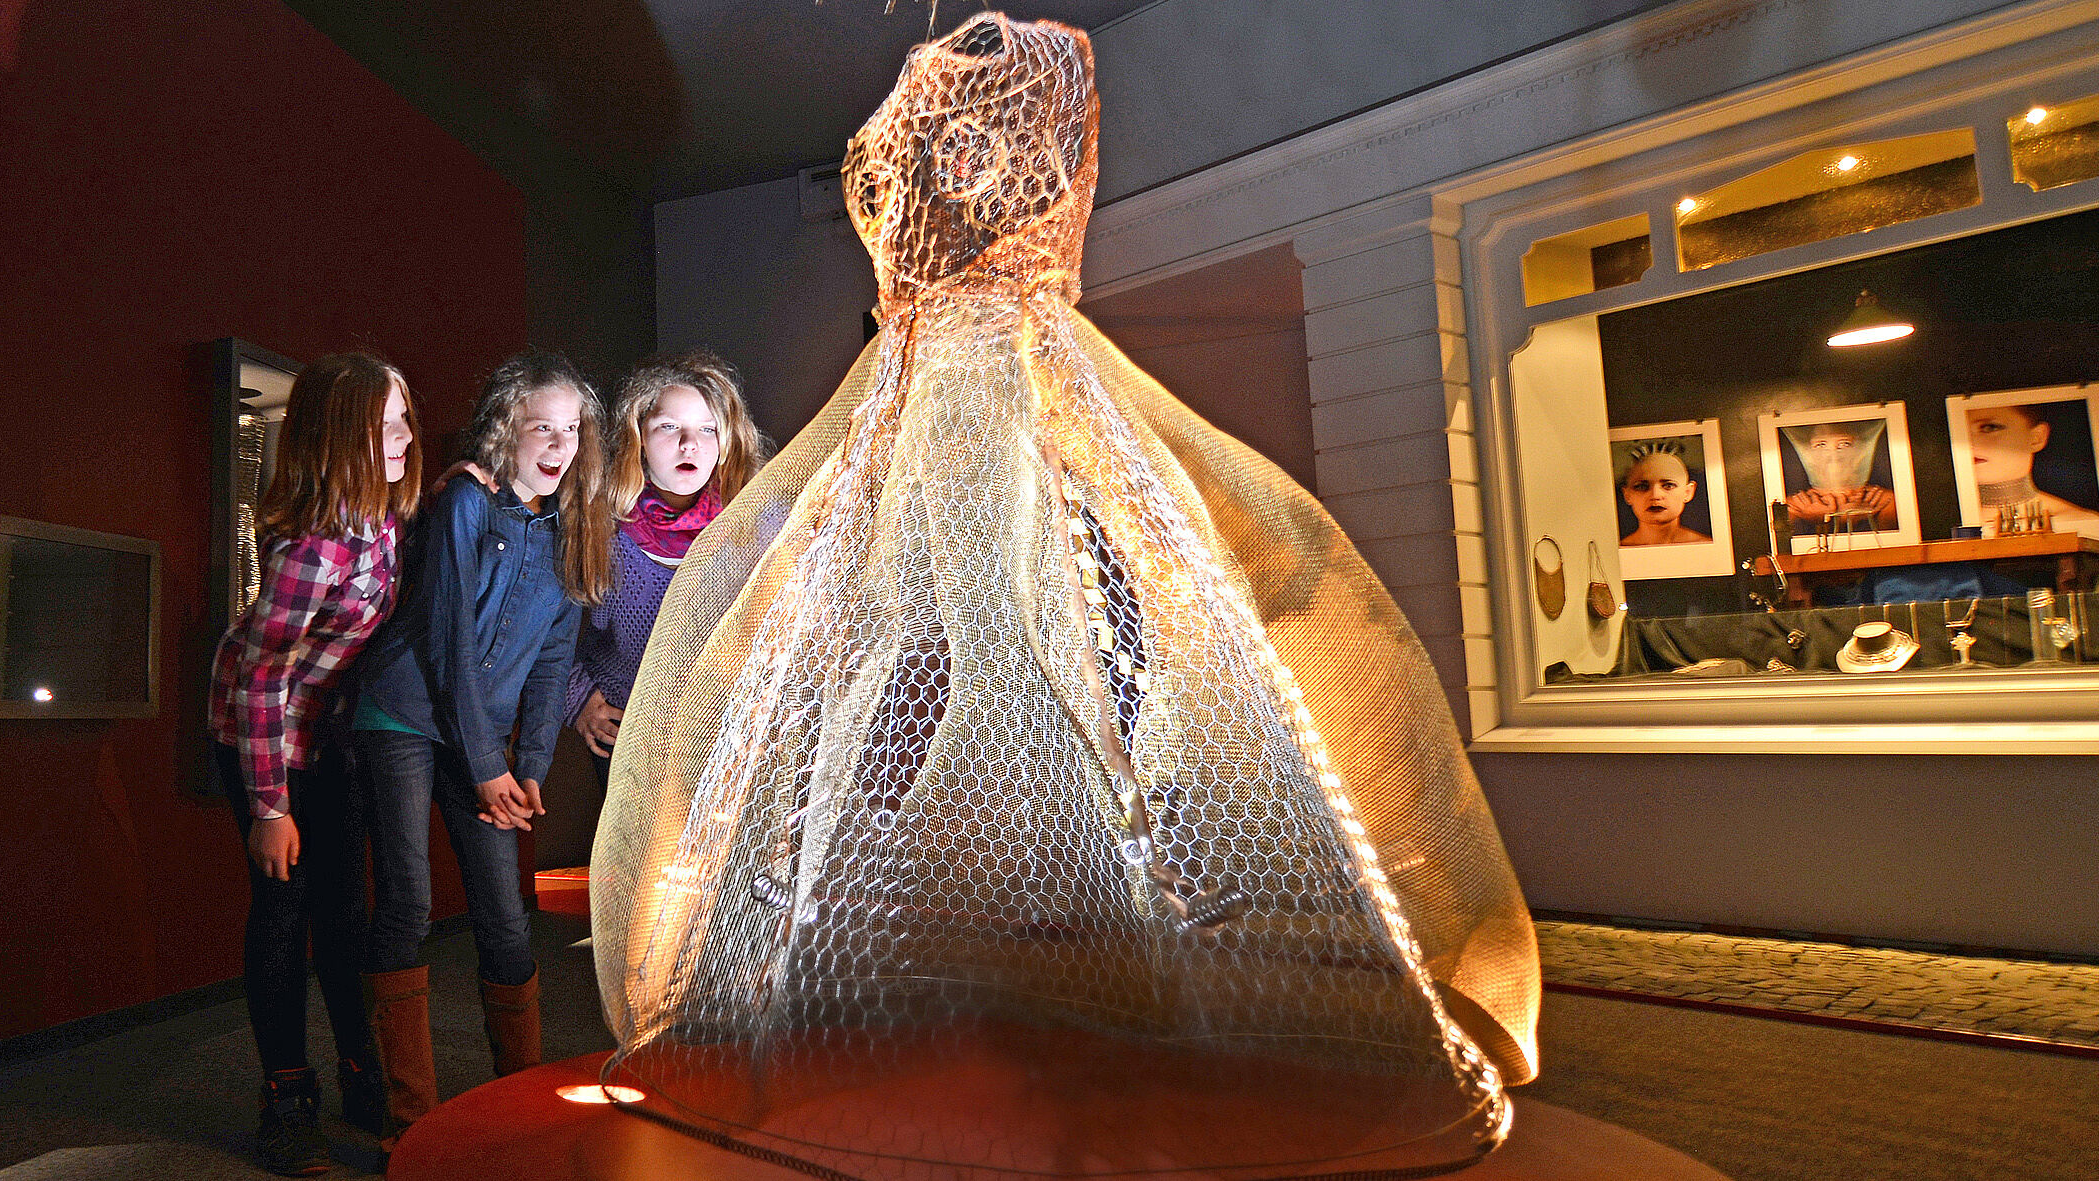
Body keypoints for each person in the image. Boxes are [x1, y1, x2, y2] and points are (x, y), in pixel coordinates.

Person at [586, 14, 1537, 1179]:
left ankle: (1093, 941)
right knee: (931, 649)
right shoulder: (965, 93)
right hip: (919, 381)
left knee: (1069, 624)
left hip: (1016, 368)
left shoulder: (1047, 63)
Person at [348, 350, 610, 1149]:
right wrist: (488, 764)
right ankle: (409, 1123)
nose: (558, 442)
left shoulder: (572, 528)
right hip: (403, 715)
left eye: (571, 428)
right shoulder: (466, 500)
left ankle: (517, 1110)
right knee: (409, 902)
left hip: (486, 742)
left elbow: (554, 661)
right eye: (541, 425)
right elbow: (448, 636)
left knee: (504, 915)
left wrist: (529, 767)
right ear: (507, 428)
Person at [206, 352, 420, 1176]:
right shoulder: (313, 550)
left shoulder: (385, 518)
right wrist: (269, 807)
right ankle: (285, 1101)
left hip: (325, 732)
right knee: (284, 904)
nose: (401, 436)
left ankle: (362, 1074)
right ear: (338, 437)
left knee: (346, 906)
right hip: (262, 733)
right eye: (382, 424)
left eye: (404, 416)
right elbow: (261, 677)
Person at [560, 351, 766, 842]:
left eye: (708, 429)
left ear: (727, 441)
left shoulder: (757, 524)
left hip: (724, 735)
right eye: (669, 427)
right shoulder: (599, 528)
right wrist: (579, 702)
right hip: (631, 736)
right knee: (644, 884)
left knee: (722, 880)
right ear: (638, 439)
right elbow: (550, 633)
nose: (689, 443)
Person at [1965, 402, 2099, 529]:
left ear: (2037, 437)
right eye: (1961, 430)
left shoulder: (2082, 522)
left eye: (1989, 427)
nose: (1969, 442)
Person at [1782, 420, 1897, 530]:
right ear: (1808, 453)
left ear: (1860, 451)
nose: (1833, 455)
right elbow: (1787, 547)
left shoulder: (1884, 501)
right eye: (1821, 445)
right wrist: (1824, 520)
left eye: (1844, 444)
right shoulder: (1793, 505)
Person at [1618, 443, 1712, 547]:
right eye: (1642, 487)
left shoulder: (1707, 545)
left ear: (1688, 492)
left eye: (1668, 486)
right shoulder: (1616, 551)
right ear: (1627, 495)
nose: (1655, 495)